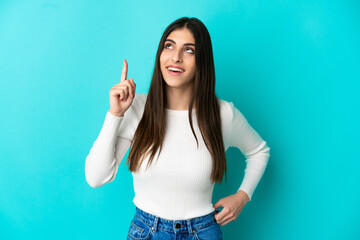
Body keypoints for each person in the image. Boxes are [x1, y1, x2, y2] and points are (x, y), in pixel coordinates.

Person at [85, 17, 270, 240]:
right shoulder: (136, 108)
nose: (176, 57)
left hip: (203, 232)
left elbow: (259, 151)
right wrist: (115, 114)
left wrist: (242, 196)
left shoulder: (222, 114)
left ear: (202, 60)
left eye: (189, 50)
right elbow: (96, 178)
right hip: (148, 232)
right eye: (169, 46)